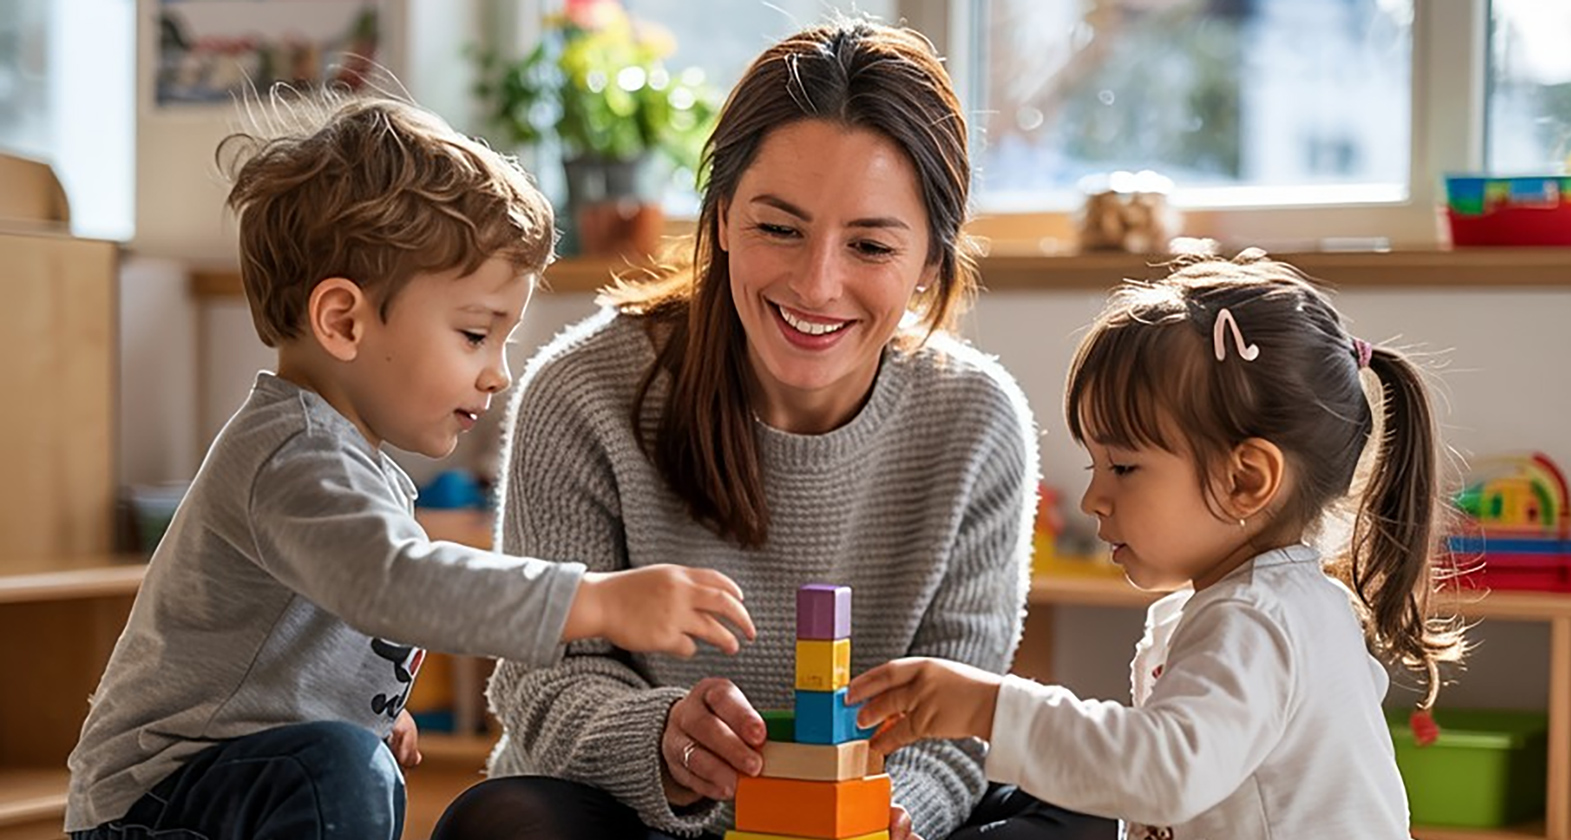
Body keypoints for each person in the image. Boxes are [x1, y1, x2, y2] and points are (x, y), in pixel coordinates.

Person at [431, 17, 1117, 840]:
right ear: (720, 219)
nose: (817, 283)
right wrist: (663, 746)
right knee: (505, 822)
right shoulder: (584, 391)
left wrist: (887, 817)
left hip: (863, 823)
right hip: (652, 824)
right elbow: (544, 689)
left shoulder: (974, 419)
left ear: (932, 258)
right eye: (779, 228)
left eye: (869, 244)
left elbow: (959, 720)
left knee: (1084, 806)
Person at [64, 96, 755, 840]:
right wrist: (593, 600)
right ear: (344, 321)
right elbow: (394, 582)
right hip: (149, 811)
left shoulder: (355, 466)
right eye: (474, 335)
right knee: (340, 767)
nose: (497, 375)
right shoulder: (289, 455)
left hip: (222, 793)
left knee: (353, 762)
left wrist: (354, 715)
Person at [846, 251, 1470, 839]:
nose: (1094, 499)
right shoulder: (1275, 603)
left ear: (1246, 479)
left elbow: (1167, 770)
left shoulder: (1257, 619)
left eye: (1122, 468)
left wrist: (992, 707)